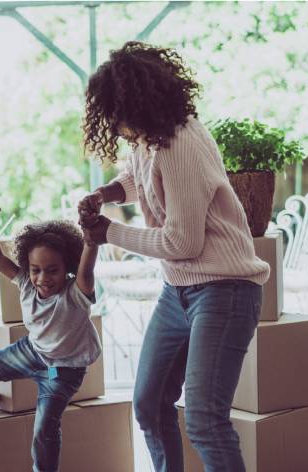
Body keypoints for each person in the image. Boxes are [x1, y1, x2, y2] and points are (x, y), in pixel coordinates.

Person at [78, 41, 271, 472]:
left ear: (138, 104)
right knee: (149, 403)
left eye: (117, 114)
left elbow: (183, 244)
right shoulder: (149, 137)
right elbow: (139, 176)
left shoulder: (179, 141)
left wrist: (110, 232)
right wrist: (107, 194)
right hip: (178, 292)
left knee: (204, 420)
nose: (115, 125)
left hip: (224, 290)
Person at [0, 201, 101, 472]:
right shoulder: (25, 283)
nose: (43, 277)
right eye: (36, 269)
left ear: (66, 267)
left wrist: (91, 241)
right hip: (31, 351)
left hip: (64, 369)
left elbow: (87, 270)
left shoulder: (76, 292)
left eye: (52, 270)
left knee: (44, 430)